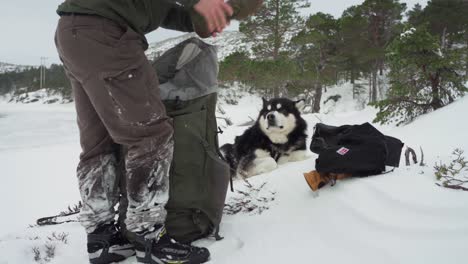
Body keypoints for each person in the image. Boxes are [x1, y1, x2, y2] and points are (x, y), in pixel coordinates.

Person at [54, 0, 234, 263]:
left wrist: (201, 21)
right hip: (107, 32)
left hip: (74, 31)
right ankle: (148, 237)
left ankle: (102, 238)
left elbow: (162, 10)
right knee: (151, 136)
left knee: (99, 141)